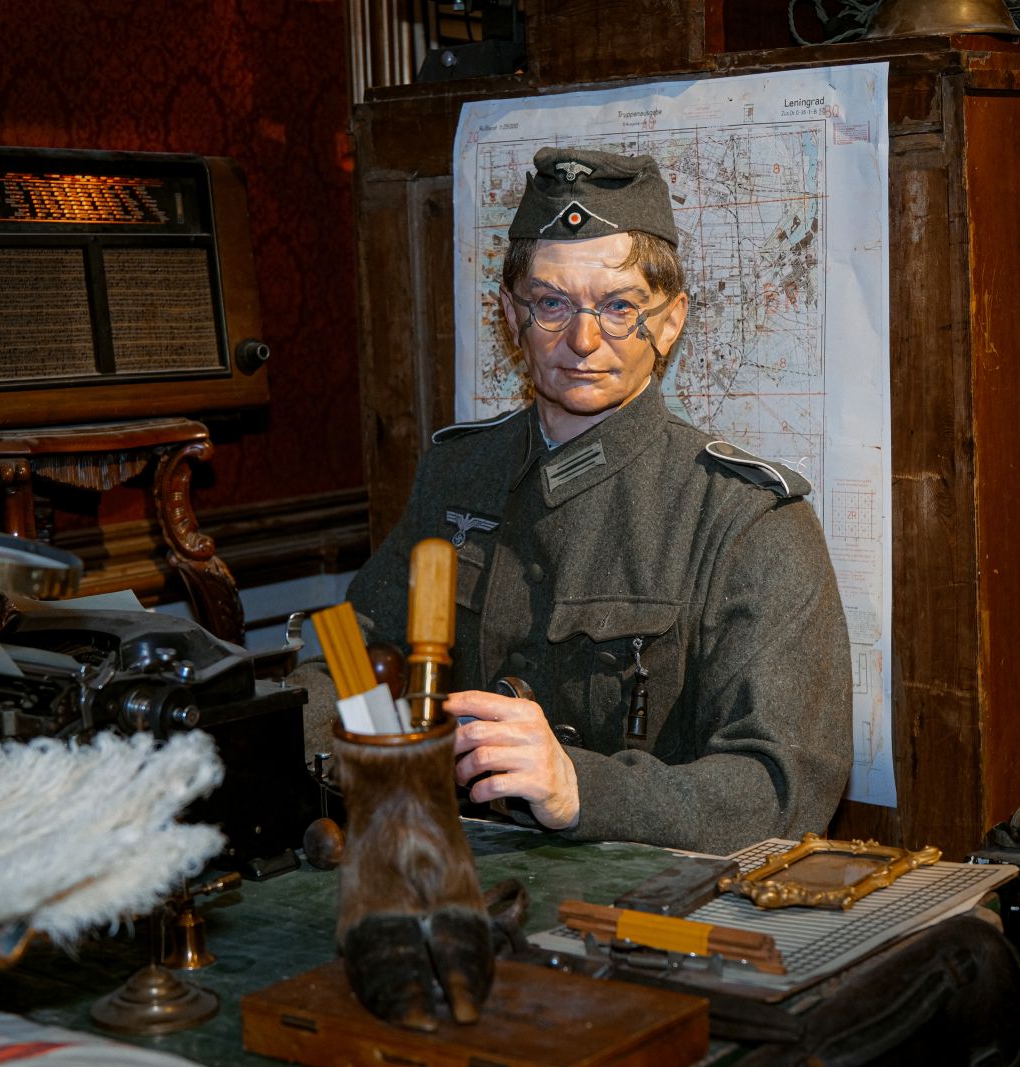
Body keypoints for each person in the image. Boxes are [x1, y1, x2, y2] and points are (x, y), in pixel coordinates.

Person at [295, 147, 852, 856]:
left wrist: (582, 787)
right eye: (552, 304)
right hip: (458, 868)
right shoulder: (458, 477)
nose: (583, 340)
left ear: (671, 321)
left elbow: (784, 786)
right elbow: (346, 649)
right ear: (511, 316)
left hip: (650, 898)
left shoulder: (743, 518)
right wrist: (377, 757)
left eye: (619, 306)